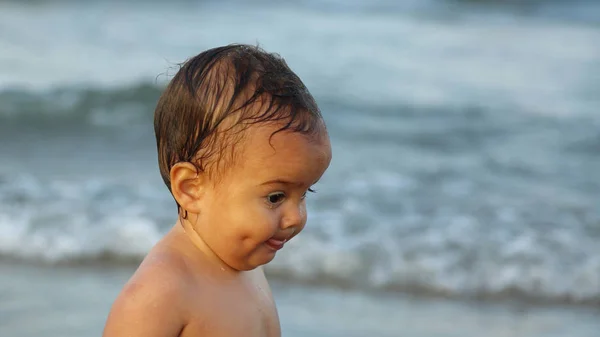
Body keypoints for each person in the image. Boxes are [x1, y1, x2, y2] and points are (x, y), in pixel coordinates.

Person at [102, 44, 332, 337]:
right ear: (190, 188)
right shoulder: (159, 293)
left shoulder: (248, 269)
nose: (296, 217)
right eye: (275, 197)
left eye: (304, 194)